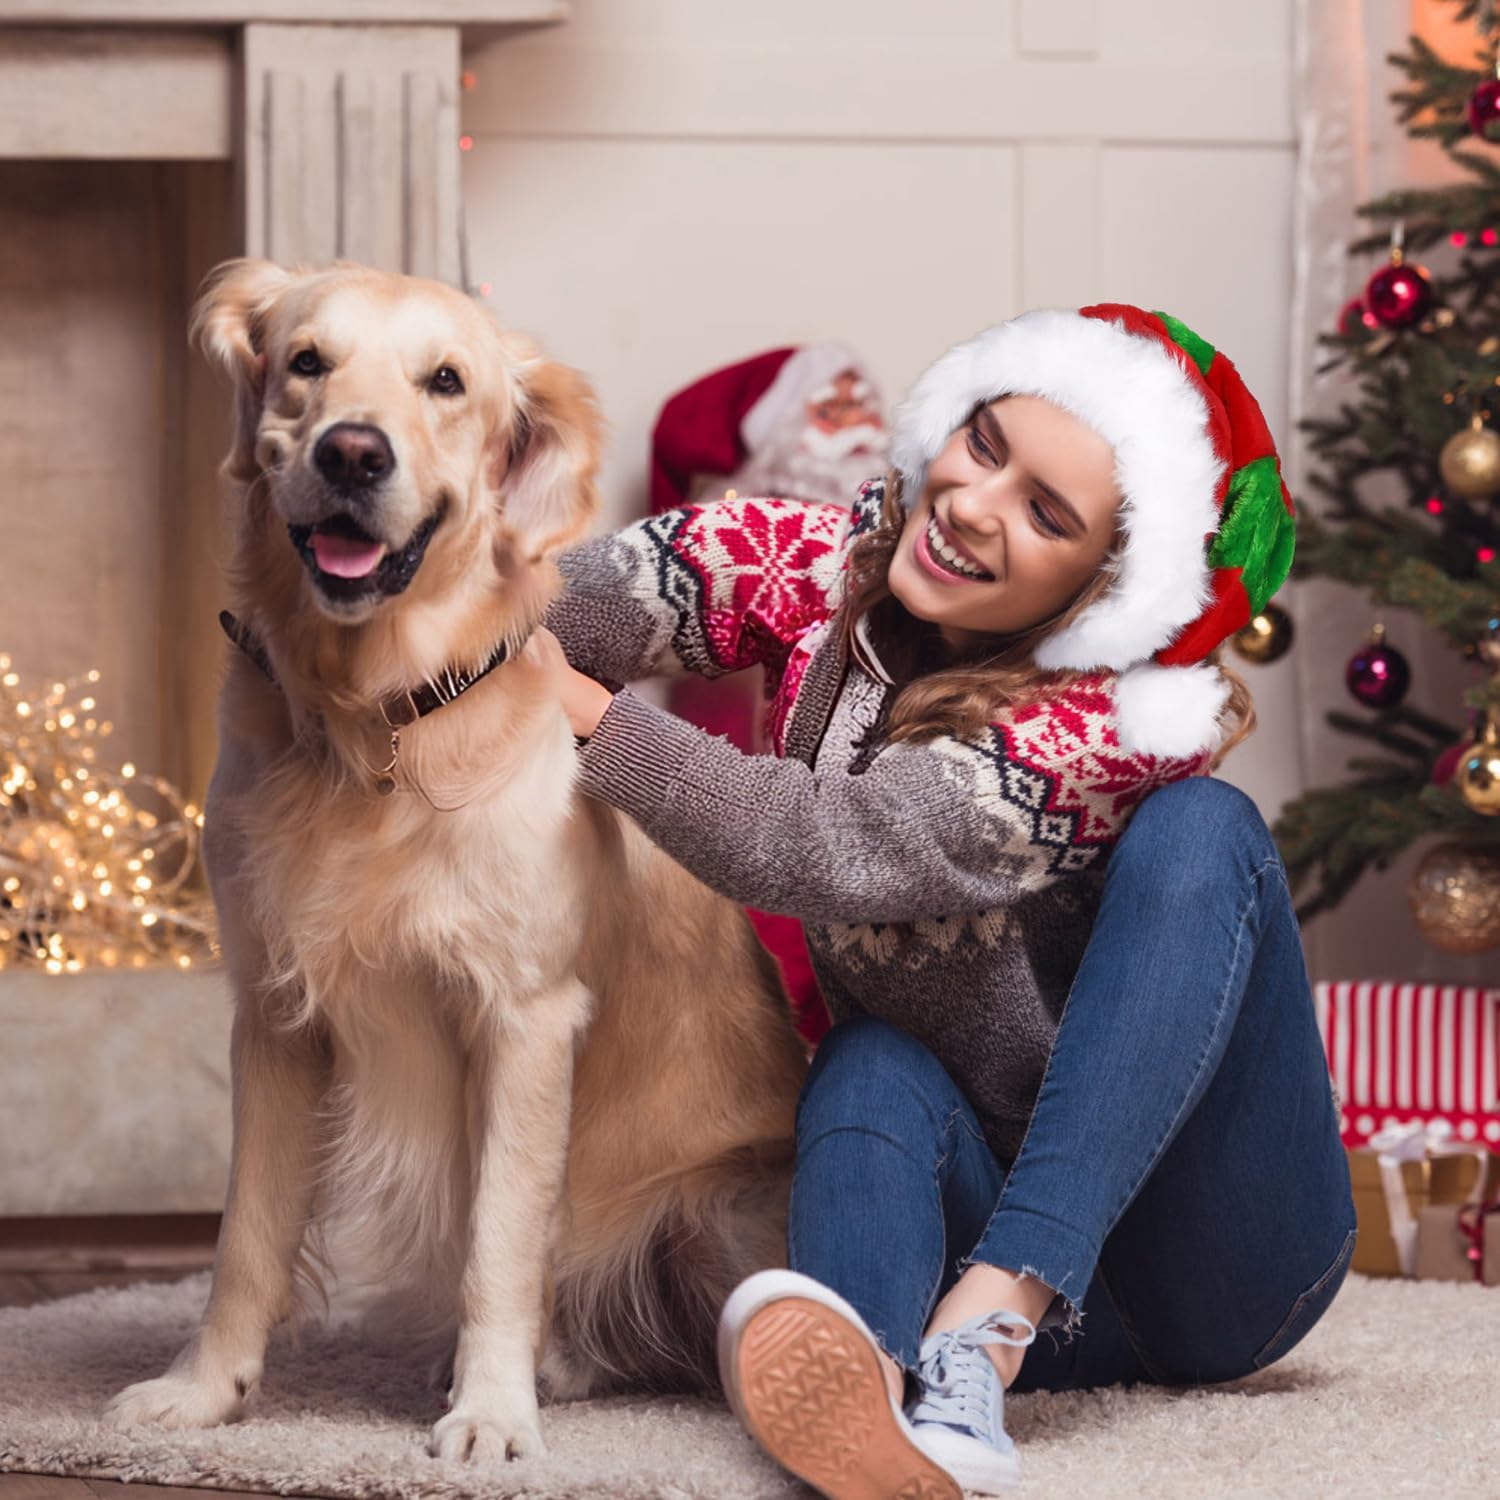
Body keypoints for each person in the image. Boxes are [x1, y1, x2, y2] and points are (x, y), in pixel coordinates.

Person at [533, 304, 1357, 1500]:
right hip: (976, 1215)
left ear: (1103, 587)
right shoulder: (819, 565)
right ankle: (867, 1383)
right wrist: (386, 604)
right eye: (982, 445)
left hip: (1218, 1257)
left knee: (1207, 831)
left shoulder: (1107, 726)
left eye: (1047, 513)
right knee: (868, 1058)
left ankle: (995, 1315)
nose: (975, 503)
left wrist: (598, 722)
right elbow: (566, 604)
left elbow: (831, 845)